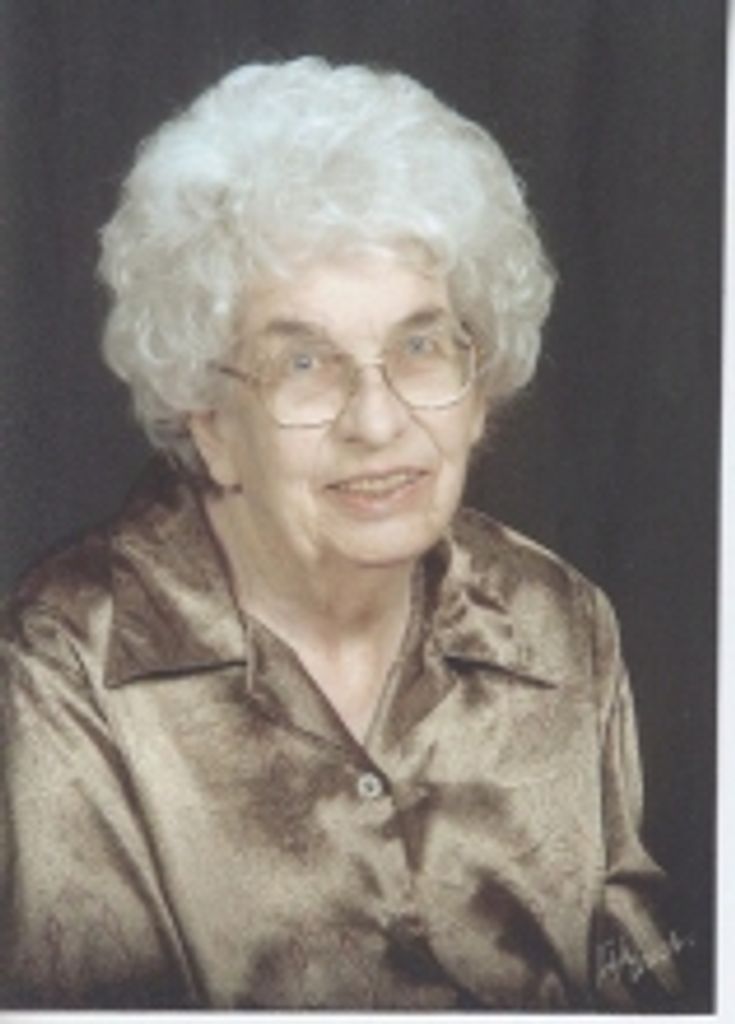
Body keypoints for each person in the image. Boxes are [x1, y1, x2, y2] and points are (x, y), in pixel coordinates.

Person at [0, 57, 680, 1010]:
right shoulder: (67, 670)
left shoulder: (559, 622)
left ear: (477, 392)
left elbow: (640, 985)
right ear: (208, 420)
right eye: (303, 364)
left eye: (419, 346)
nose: (377, 420)